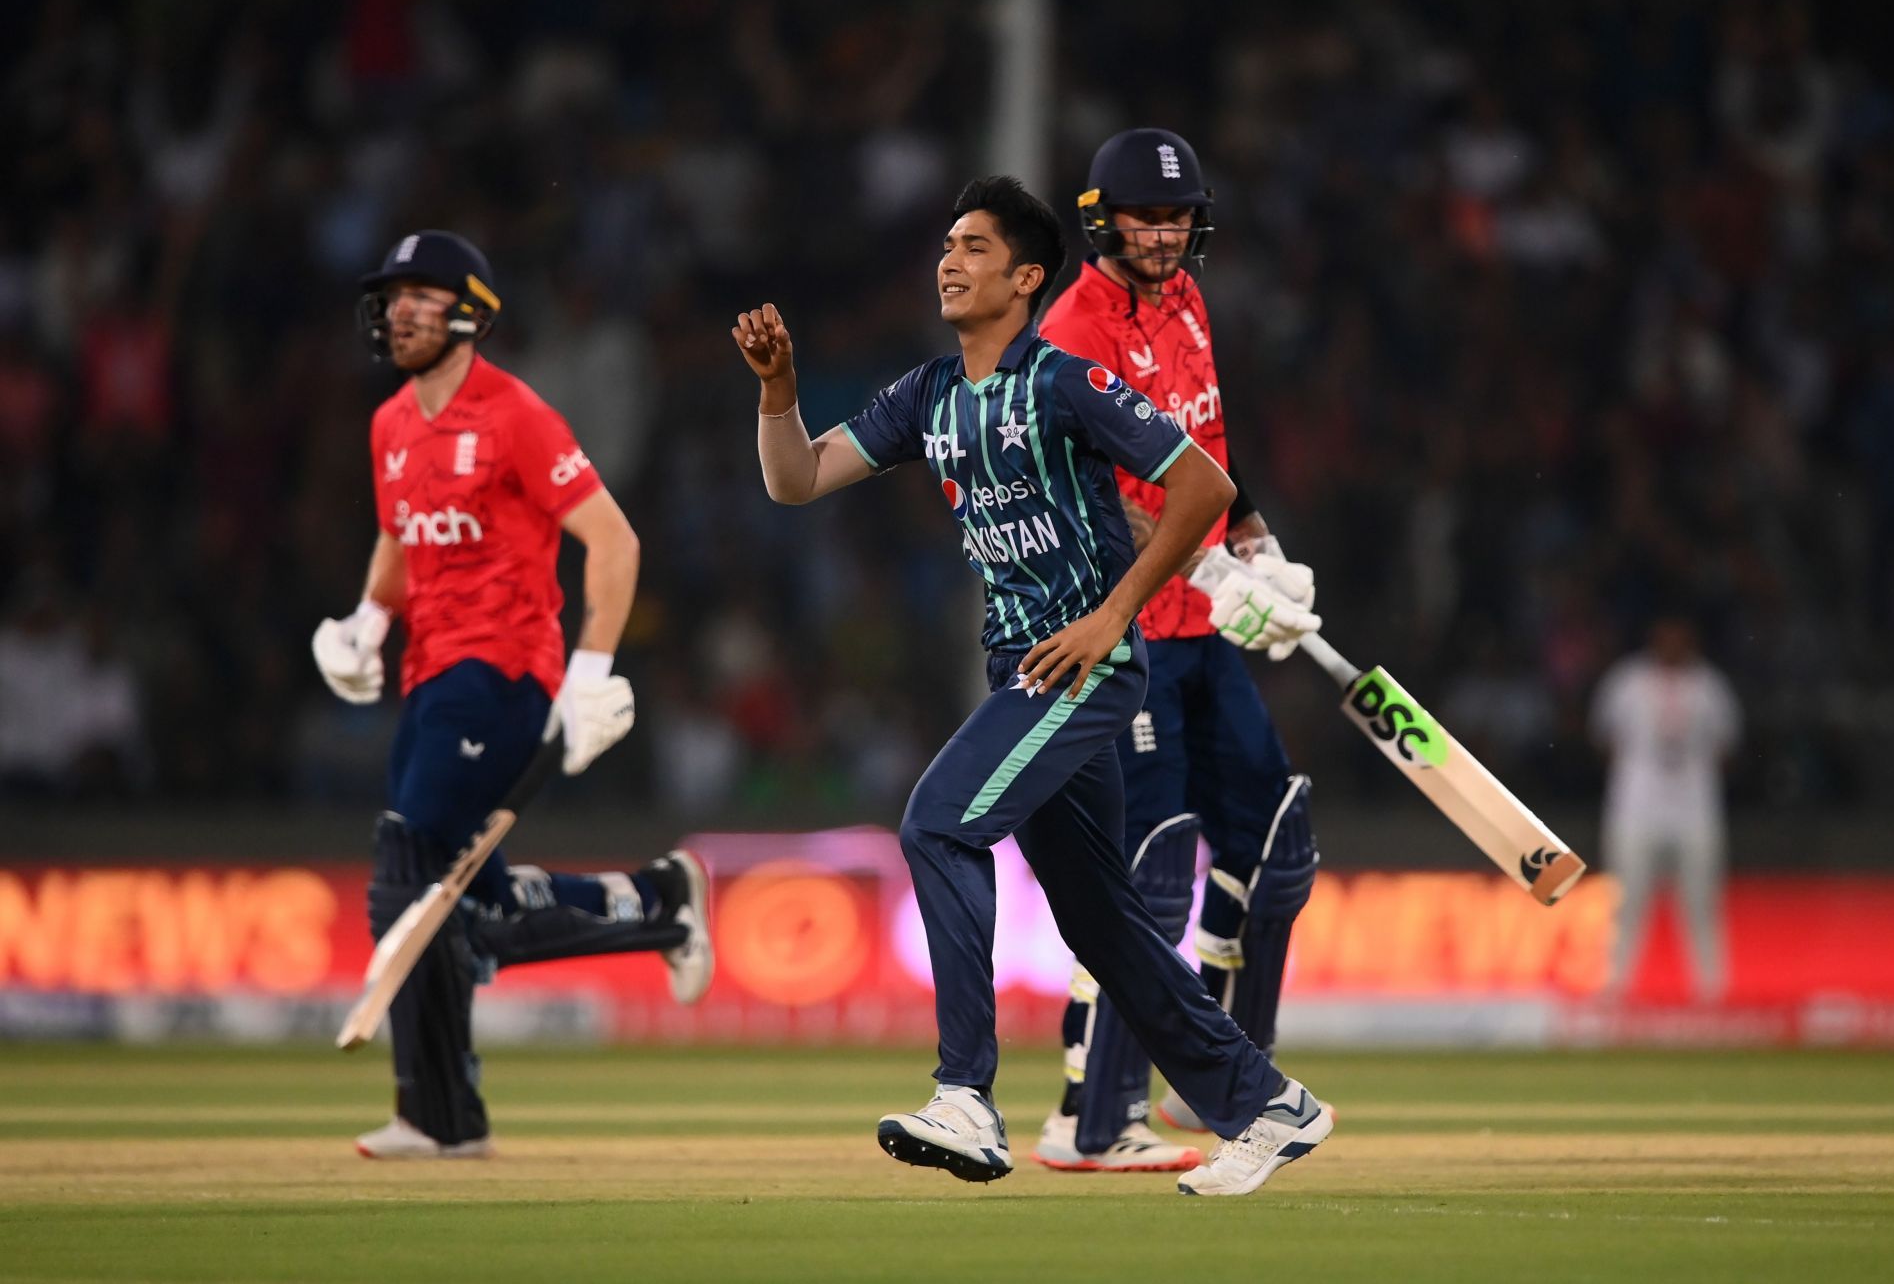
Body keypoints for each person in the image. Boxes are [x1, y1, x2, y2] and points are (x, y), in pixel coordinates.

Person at [733, 177, 1331, 1196]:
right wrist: (779, 389)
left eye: (973, 246)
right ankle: (1268, 1102)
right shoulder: (930, 393)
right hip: (1023, 669)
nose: (948, 261)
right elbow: (794, 480)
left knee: (935, 822)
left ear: (1025, 277)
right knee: (1099, 917)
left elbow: (1206, 488)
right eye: (945, 245)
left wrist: (1111, 618)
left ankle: (966, 1093)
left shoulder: (1063, 381)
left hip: (1081, 666)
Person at [313, 230, 714, 1159]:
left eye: (420, 294)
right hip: (427, 675)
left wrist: (591, 671)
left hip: (500, 673)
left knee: (405, 876)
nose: (399, 309)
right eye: (393, 296)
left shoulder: (517, 414)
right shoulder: (390, 425)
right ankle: (656, 903)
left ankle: (438, 1113)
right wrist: (368, 623)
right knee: (461, 895)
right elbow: (399, 537)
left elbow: (614, 543)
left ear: (469, 310)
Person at [1031, 128, 1322, 1172]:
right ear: (1103, 217)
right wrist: (1196, 569)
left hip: (1202, 626)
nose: (1163, 234)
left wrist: (1254, 541)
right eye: (1144, 217)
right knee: (1148, 871)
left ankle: (1225, 1079)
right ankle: (1093, 1118)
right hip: (1126, 630)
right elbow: (1088, 490)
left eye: (1178, 216)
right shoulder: (1073, 327)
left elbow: (1201, 448)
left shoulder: (1187, 303)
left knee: (1276, 841)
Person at [1591, 614, 1741, 1003]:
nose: (1672, 645)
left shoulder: (1709, 686)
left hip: (1695, 808)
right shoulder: (1626, 682)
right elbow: (1604, 738)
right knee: (1626, 901)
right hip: (1636, 808)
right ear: (1654, 639)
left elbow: (1727, 746)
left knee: (1701, 901)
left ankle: (1712, 992)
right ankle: (1616, 988)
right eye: (1666, 637)